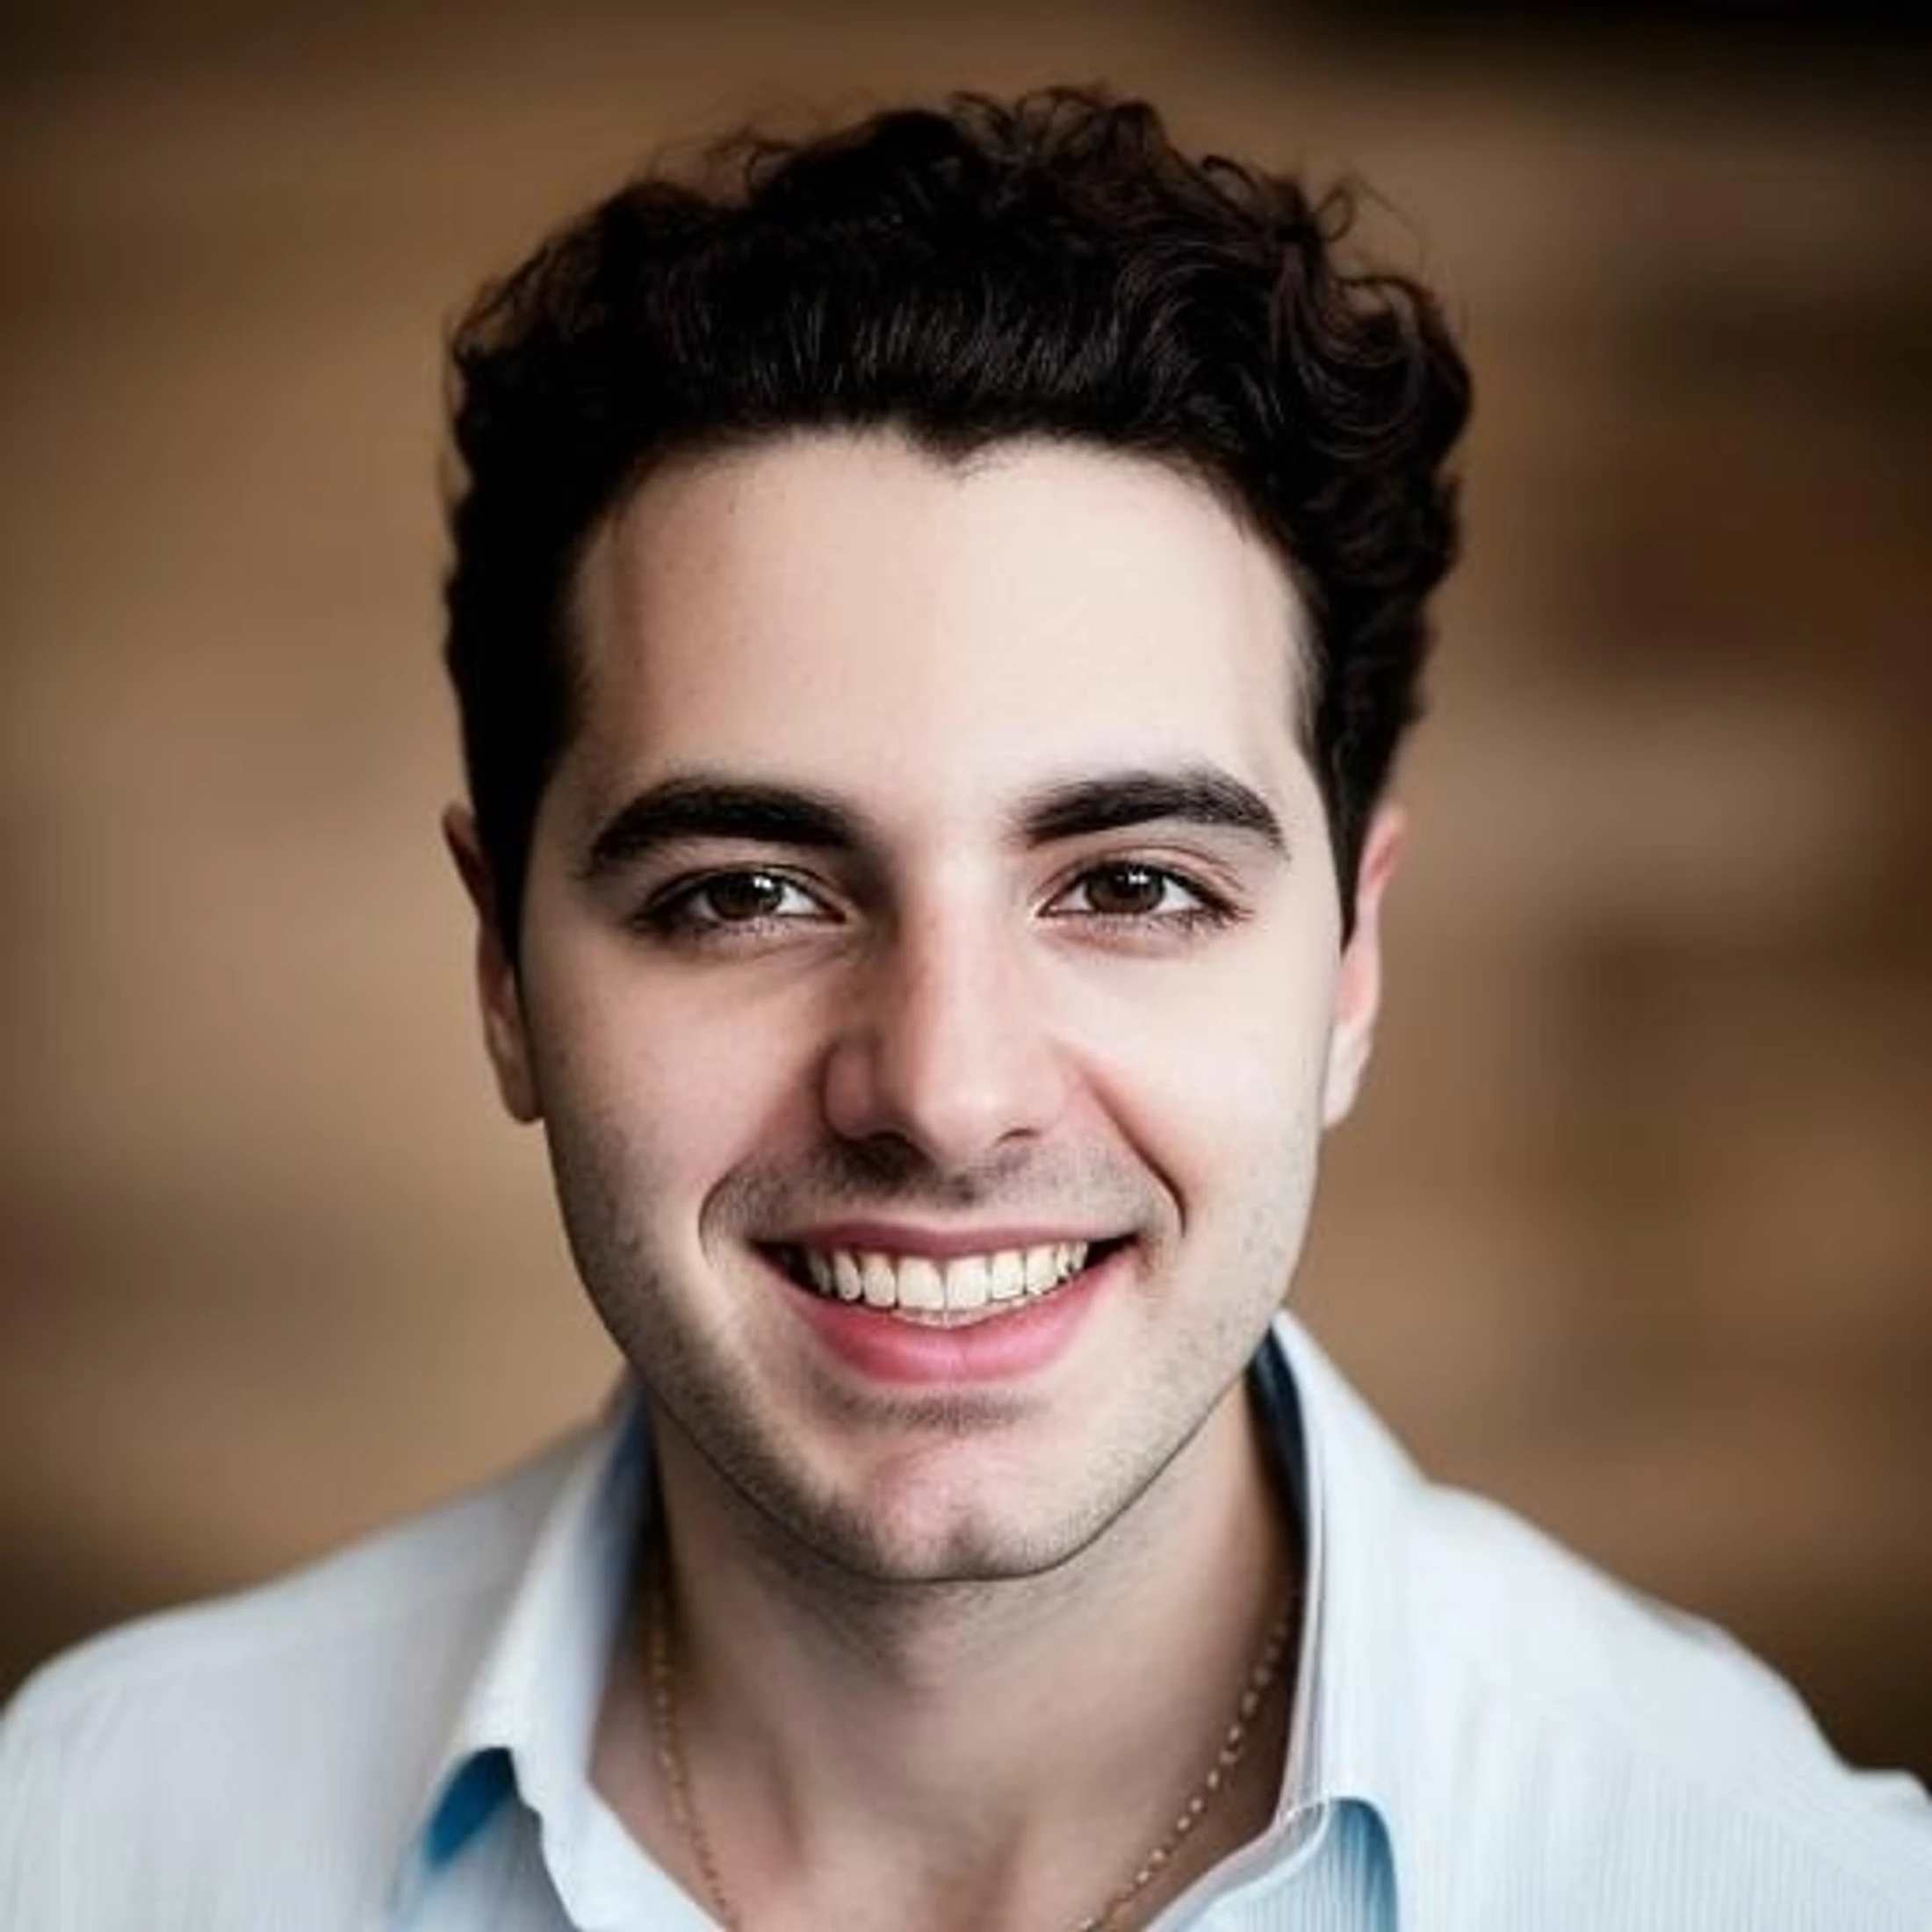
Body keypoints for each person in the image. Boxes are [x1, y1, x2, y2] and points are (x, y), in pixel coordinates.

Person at [2, 87, 1926, 1932]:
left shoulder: (1791, 1888)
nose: (942, 1089)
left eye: (1130, 886)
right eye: (744, 892)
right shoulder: (87, 1842)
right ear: (501, 971)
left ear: (1350, 961)